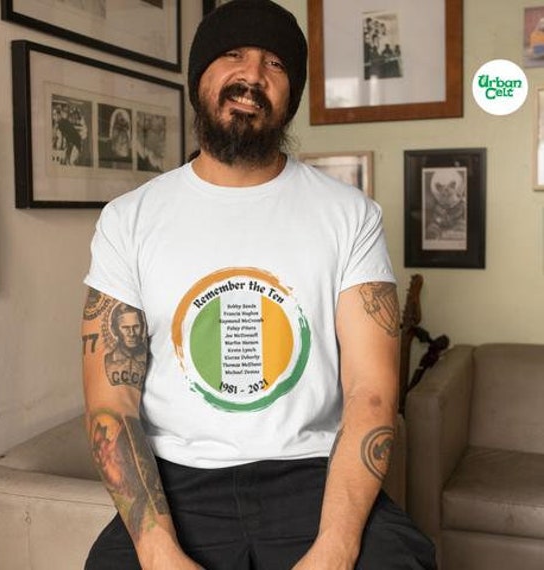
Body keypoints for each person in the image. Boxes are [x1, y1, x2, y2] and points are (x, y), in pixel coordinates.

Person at [81, 1, 437, 568]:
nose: (252, 75)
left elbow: (371, 391)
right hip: (178, 480)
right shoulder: (129, 219)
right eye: (232, 55)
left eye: (275, 63)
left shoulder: (351, 215)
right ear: (199, 78)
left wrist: (336, 547)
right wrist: (157, 551)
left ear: (290, 96)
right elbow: (111, 402)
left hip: (311, 473)